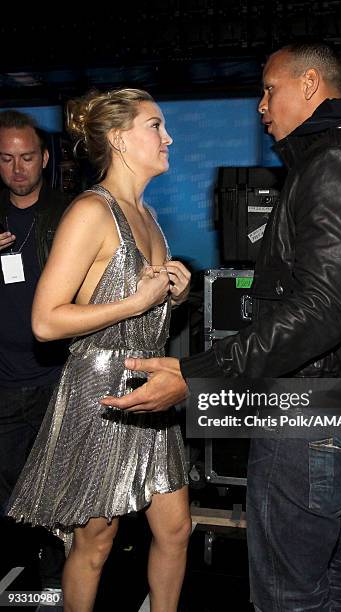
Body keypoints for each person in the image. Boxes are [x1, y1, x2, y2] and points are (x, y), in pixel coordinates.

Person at [102, 43, 341, 611]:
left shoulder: (334, 164)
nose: (260, 106)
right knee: (322, 565)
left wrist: (198, 376)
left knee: (285, 590)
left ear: (311, 84)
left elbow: (320, 308)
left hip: (310, 407)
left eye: (270, 89)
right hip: (339, 398)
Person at [7, 88, 192, 612]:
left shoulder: (148, 213)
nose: (168, 137)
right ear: (118, 139)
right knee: (95, 540)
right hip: (100, 391)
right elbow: (46, 321)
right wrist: (138, 299)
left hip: (148, 385)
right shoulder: (92, 211)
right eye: (155, 126)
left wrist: (173, 295)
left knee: (176, 529)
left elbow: (136, 311)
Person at [0, 110, 70, 593]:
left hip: (55, 372)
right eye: (6, 159)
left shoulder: (69, 214)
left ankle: (53, 575)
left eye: (27, 157)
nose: (17, 168)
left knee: (55, 482)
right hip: (3, 379)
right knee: (7, 488)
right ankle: (20, 569)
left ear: (44, 158)